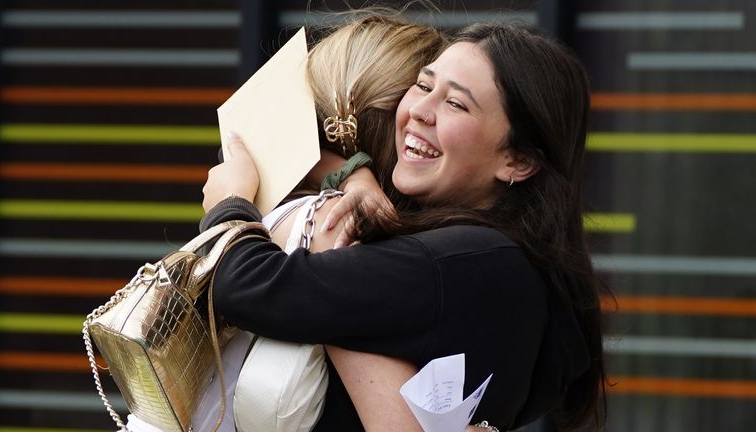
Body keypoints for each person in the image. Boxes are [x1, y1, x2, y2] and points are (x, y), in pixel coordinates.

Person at [201, 21, 607, 432]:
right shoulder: (498, 261)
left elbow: (247, 286)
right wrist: (351, 173)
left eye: (457, 104)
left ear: (517, 161)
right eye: (423, 85)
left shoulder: (455, 263)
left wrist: (228, 207)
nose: (420, 111)